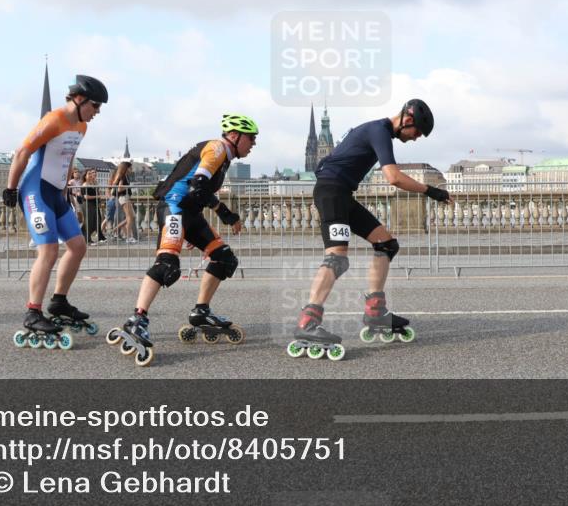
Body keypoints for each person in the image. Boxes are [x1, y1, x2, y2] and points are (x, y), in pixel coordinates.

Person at [287, 99, 452, 361]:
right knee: (337, 259)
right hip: (332, 193)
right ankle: (308, 320)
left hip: (342, 193)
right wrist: (432, 191)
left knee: (387, 244)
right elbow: (394, 177)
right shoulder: (380, 130)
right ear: (407, 120)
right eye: (417, 132)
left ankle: (375, 310)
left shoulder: (377, 131)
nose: (416, 138)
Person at [106, 114, 258, 366]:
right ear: (234, 136)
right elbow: (199, 183)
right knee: (167, 265)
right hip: (175, 208)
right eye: (251, 139)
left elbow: (202, 190)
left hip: (189, 212)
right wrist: (218, 216)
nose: (253, 144)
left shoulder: (224, 157)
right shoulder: (217, 148)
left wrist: (224, 215)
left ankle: (201, 311)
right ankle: (137, 319)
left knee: (224, 259)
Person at [2, 74, 108, 347]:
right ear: (80, 99)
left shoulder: (82, 127)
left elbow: (68, 156)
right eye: (95, 106)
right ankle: (32, 312)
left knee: (78, 246)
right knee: (48, 251)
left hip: (57, 193)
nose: (97, 112)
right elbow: (22, 152)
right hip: (35, 190)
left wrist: (64, 187)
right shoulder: (53, 119)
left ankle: (58, 301)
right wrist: (11, 188)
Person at [81, 168, 105, 244]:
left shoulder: (92, 183)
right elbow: (86, 197)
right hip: (88, 204)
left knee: (97, 219)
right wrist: (97, 196)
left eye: (91, 174)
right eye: (89, 174)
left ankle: (99, 237)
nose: (91, 175)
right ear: (85, 176)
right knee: (89, 221)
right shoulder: (85, 185)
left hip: (94, 204)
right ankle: (87, 239)